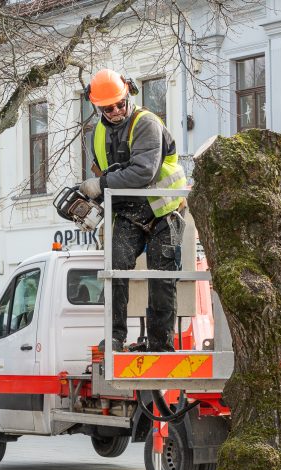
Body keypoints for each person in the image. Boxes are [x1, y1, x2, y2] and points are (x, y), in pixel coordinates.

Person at [79, 68, 187, 352]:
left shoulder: (147, 123)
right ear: (97, 106)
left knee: (161, 276)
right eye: (107, 107)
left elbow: (143, 173)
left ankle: (160, 344)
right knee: (116, 267)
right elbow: (109, 175)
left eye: (119, 103)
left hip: (164, 209)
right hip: (129, 211)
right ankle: (114, 337)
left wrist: (99, 185)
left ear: (127, 94)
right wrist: (93, 203)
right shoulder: (98, 134)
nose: (115, 110)